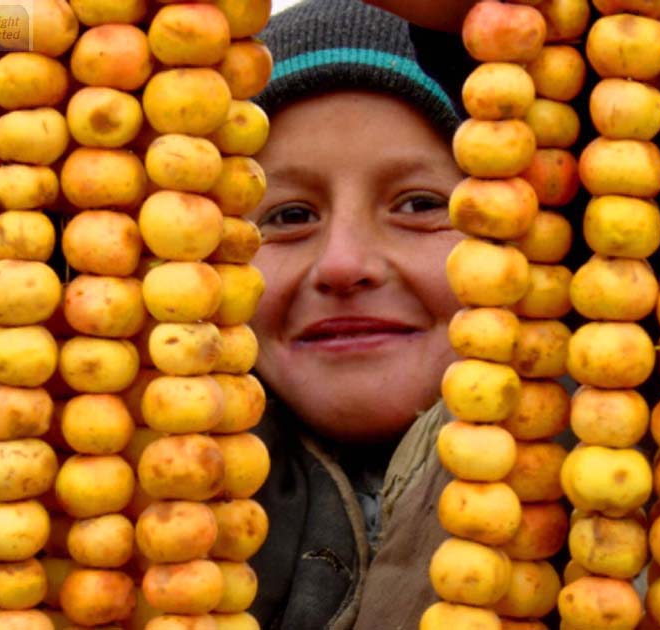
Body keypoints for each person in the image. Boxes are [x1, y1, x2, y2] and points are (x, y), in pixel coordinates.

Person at [245, 1, 477, 628]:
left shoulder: (655, 506)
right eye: (289, 216)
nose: (344, 263)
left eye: (420, 203)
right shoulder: (119, 515)